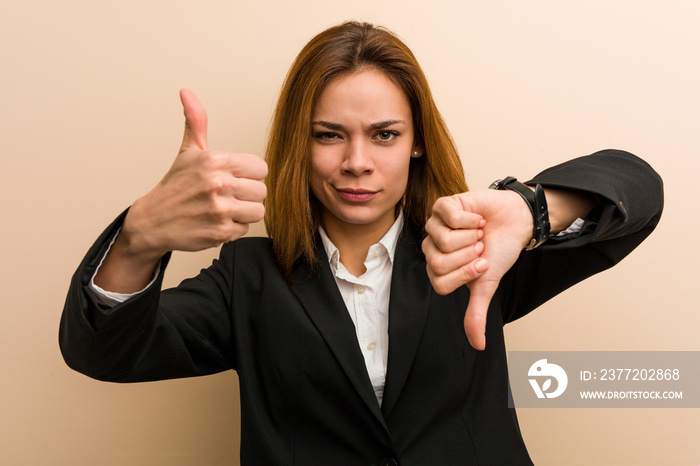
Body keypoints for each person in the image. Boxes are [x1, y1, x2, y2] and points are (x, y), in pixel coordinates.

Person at [59, 21, 663, 465]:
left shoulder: (472, 250)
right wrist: (138, 239)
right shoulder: (247, 276)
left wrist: (533, 211)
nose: (356, 163)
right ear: (302, 143)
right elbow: (104, 354)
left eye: (383, 134)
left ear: (416, 141)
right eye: (329, 135)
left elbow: (639, 188)